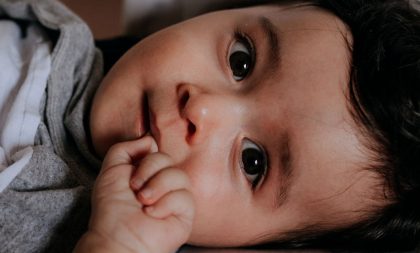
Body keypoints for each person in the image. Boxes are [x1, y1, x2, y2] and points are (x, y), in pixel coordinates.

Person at [0, 0, 418, 253]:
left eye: (253, 162)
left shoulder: (98, 235)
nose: (202, 110)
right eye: (241, 60)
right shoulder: (50, 30)